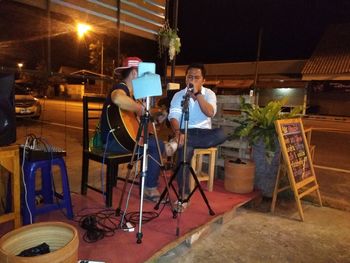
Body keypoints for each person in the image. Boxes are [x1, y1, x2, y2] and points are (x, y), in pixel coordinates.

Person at [100, 57, 165, 203]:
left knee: (154, 143)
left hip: (124, 140)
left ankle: (150, 179)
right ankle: (149, 187)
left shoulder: (134, 96)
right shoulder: (121, 87)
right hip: (112, 143)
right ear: (135, 74)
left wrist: (156, 119)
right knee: (157, 146)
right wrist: (140, 109)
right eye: (142, 75)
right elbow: (117, 98)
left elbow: (142, 129)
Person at [168, 63, 227, 207]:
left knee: (223, 133)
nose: (192, 80)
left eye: (196, 77)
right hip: (183, 131)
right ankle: (183, 196)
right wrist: (177, 132)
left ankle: (179, 142)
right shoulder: (178, 95)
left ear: (203, 80)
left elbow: (210, 113)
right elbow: (173, 116)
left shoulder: (209, 94)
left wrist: (198, 94)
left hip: (204, 133)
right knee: (184, 151)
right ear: (185, 78)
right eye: (189, 77)